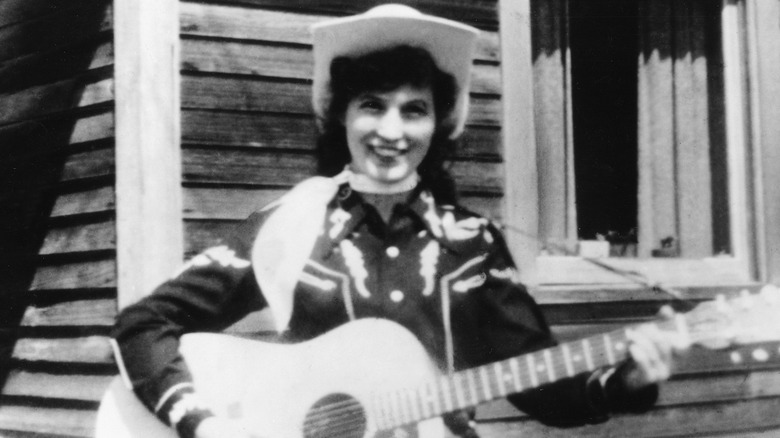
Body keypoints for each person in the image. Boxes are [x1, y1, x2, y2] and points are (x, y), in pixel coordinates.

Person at [111, 5, 688, 438]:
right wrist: (202, 424)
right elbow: (145, 324)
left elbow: (540, 384)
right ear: (341, 116)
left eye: (415, 110)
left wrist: (626, 381)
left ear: (440, 125)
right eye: (372, 105)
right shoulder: (288, 224)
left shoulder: (473, 245)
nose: (392, 132)